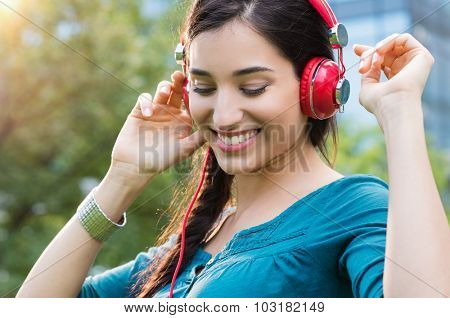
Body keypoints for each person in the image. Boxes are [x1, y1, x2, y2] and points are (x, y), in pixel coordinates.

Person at [16, 0, 449, 298]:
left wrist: (400, 111)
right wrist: (121, 180)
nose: (223, 116)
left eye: (252, 87)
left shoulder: (355, 208)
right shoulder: (186, 250)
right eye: (204, 86)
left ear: (318, 88)